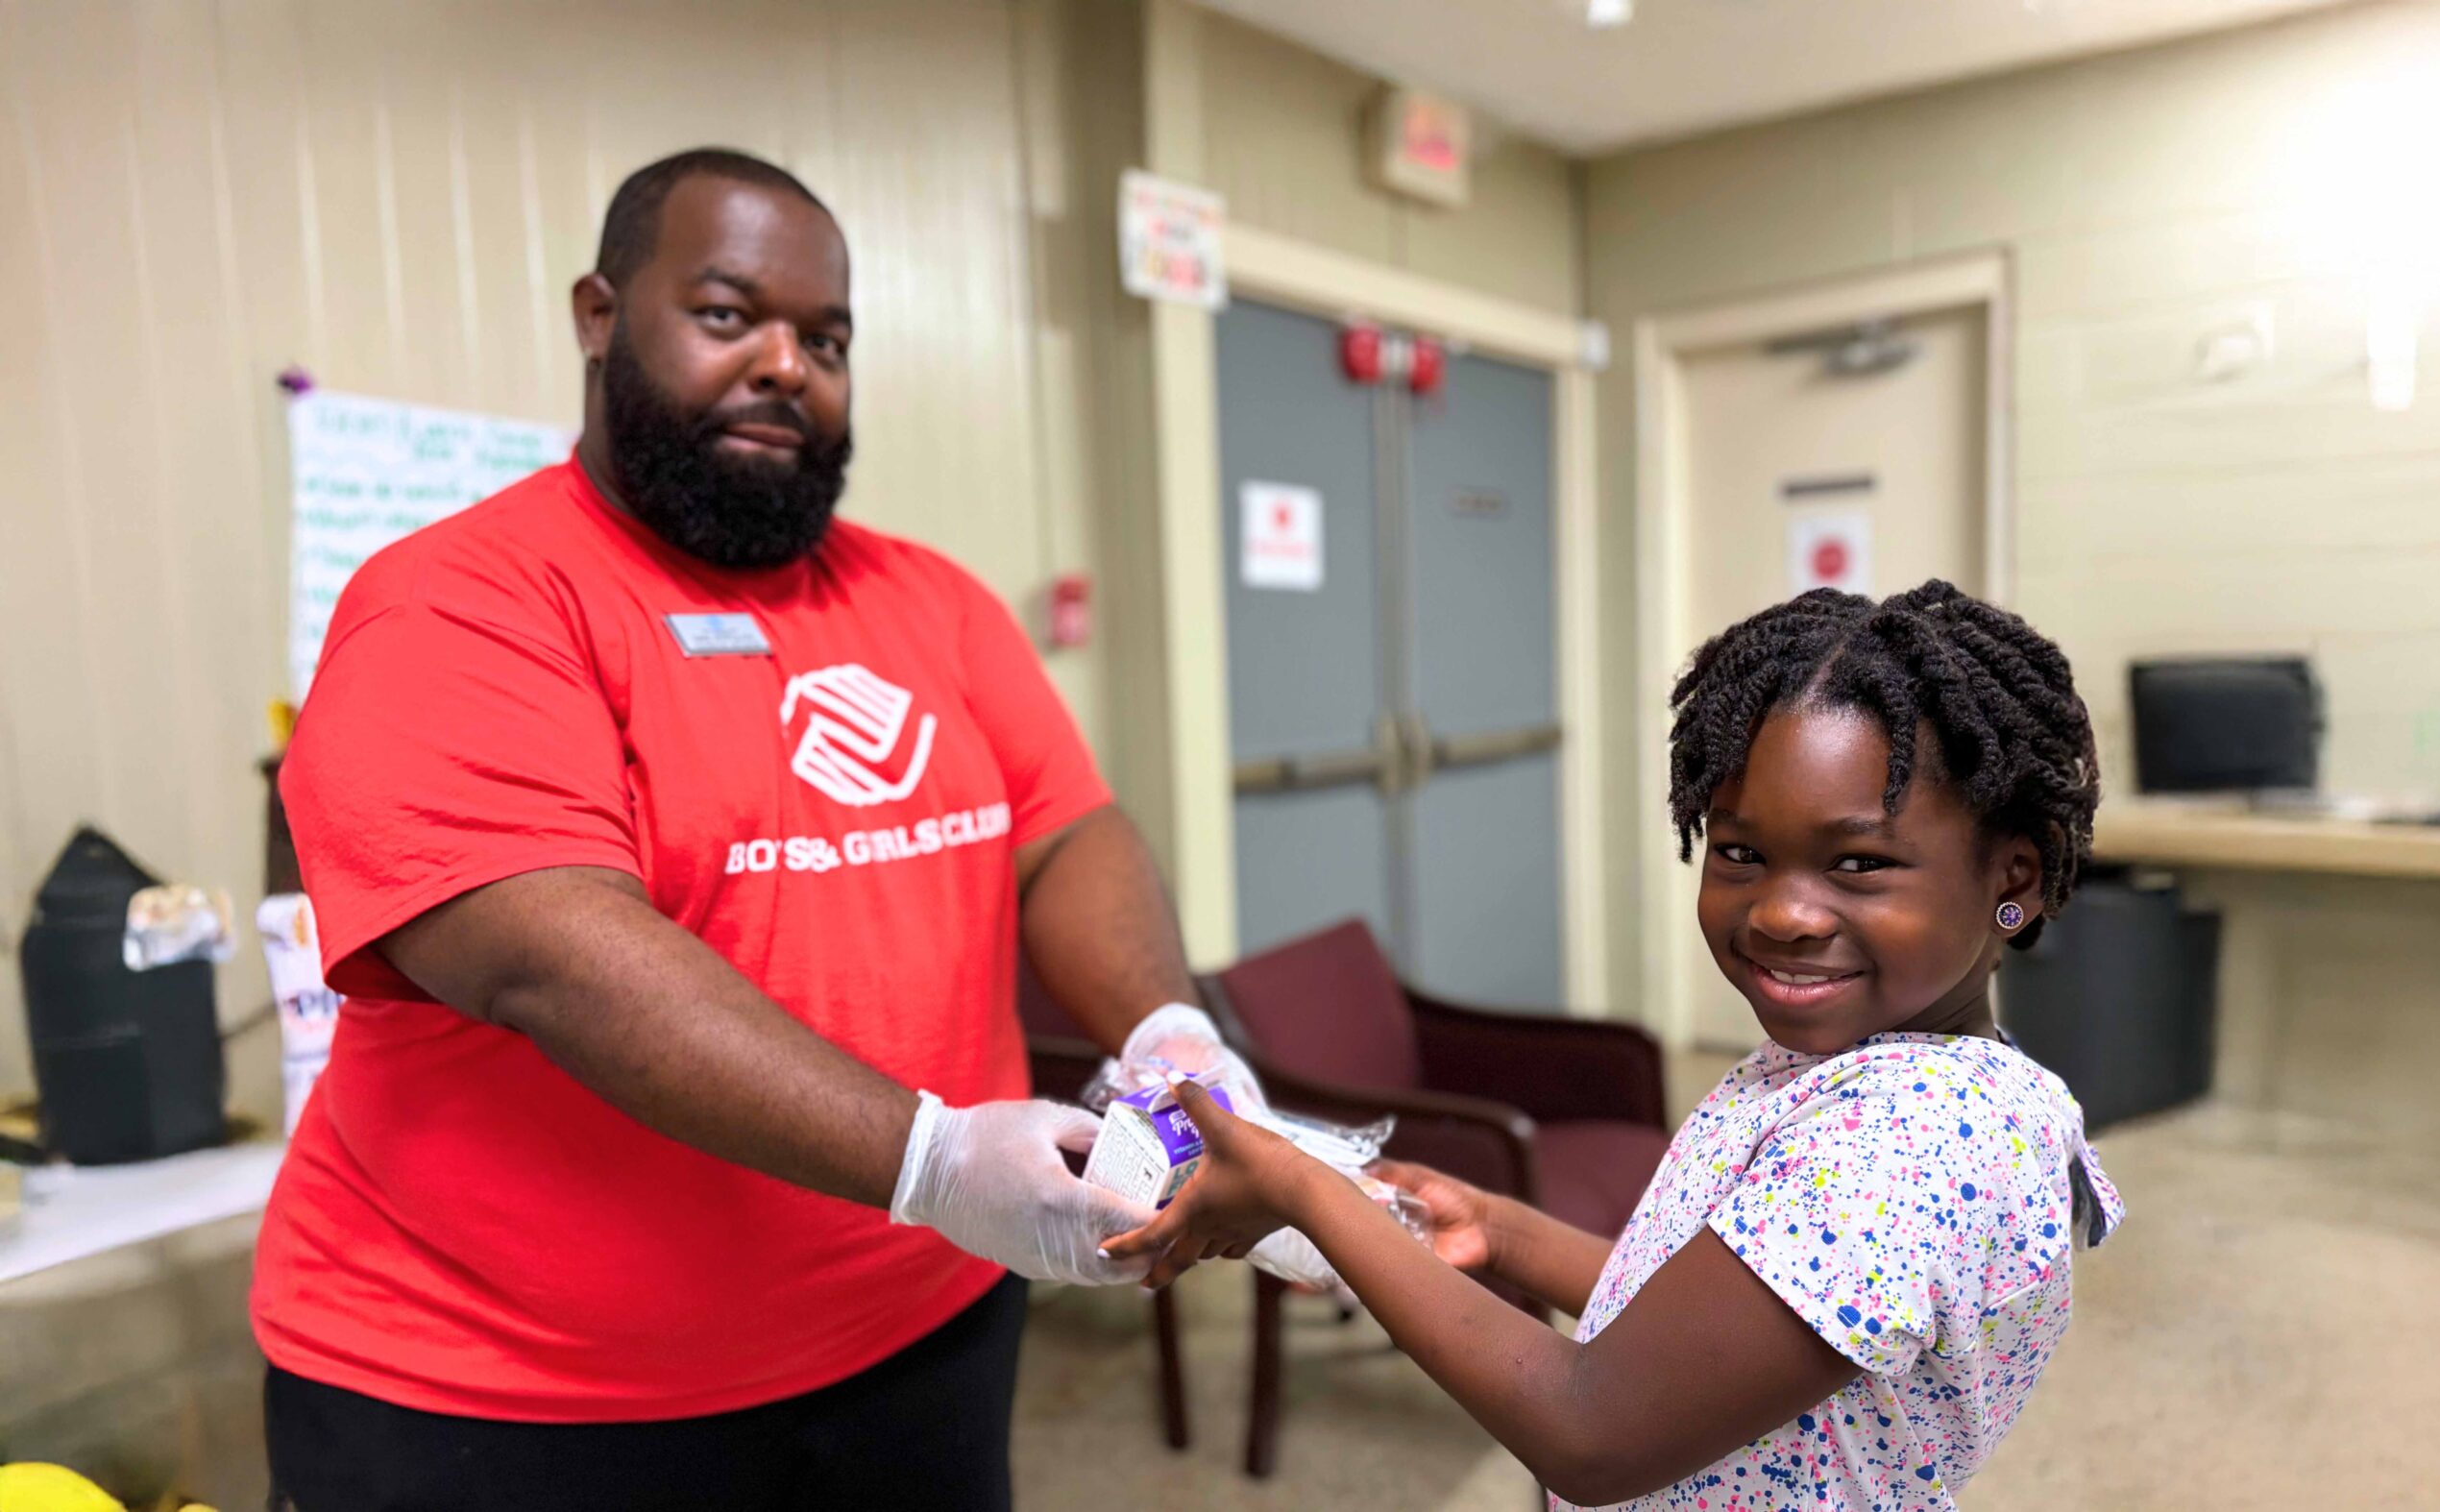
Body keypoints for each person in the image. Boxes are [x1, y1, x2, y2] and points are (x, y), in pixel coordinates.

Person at [255, 147, 1249, 1511]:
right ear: (599, 315)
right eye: (729, 315)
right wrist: (933, 1159)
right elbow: (551, 954)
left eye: (826, 339)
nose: (787, 365)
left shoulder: (935, 603)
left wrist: (1169, 1029)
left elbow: (1064, 833)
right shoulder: (463, 601)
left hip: (924, 1334)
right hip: (519, 1396)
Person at [1110, 580, 2126, 1510]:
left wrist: (1304, 1192)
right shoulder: (1876, 1069)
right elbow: (1719, 1323)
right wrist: (1503, 1232)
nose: (1782, 912)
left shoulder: (1906, 1141)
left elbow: (1590, 1430)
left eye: (1858, 863)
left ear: (2013, 880)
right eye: (1740, 851)